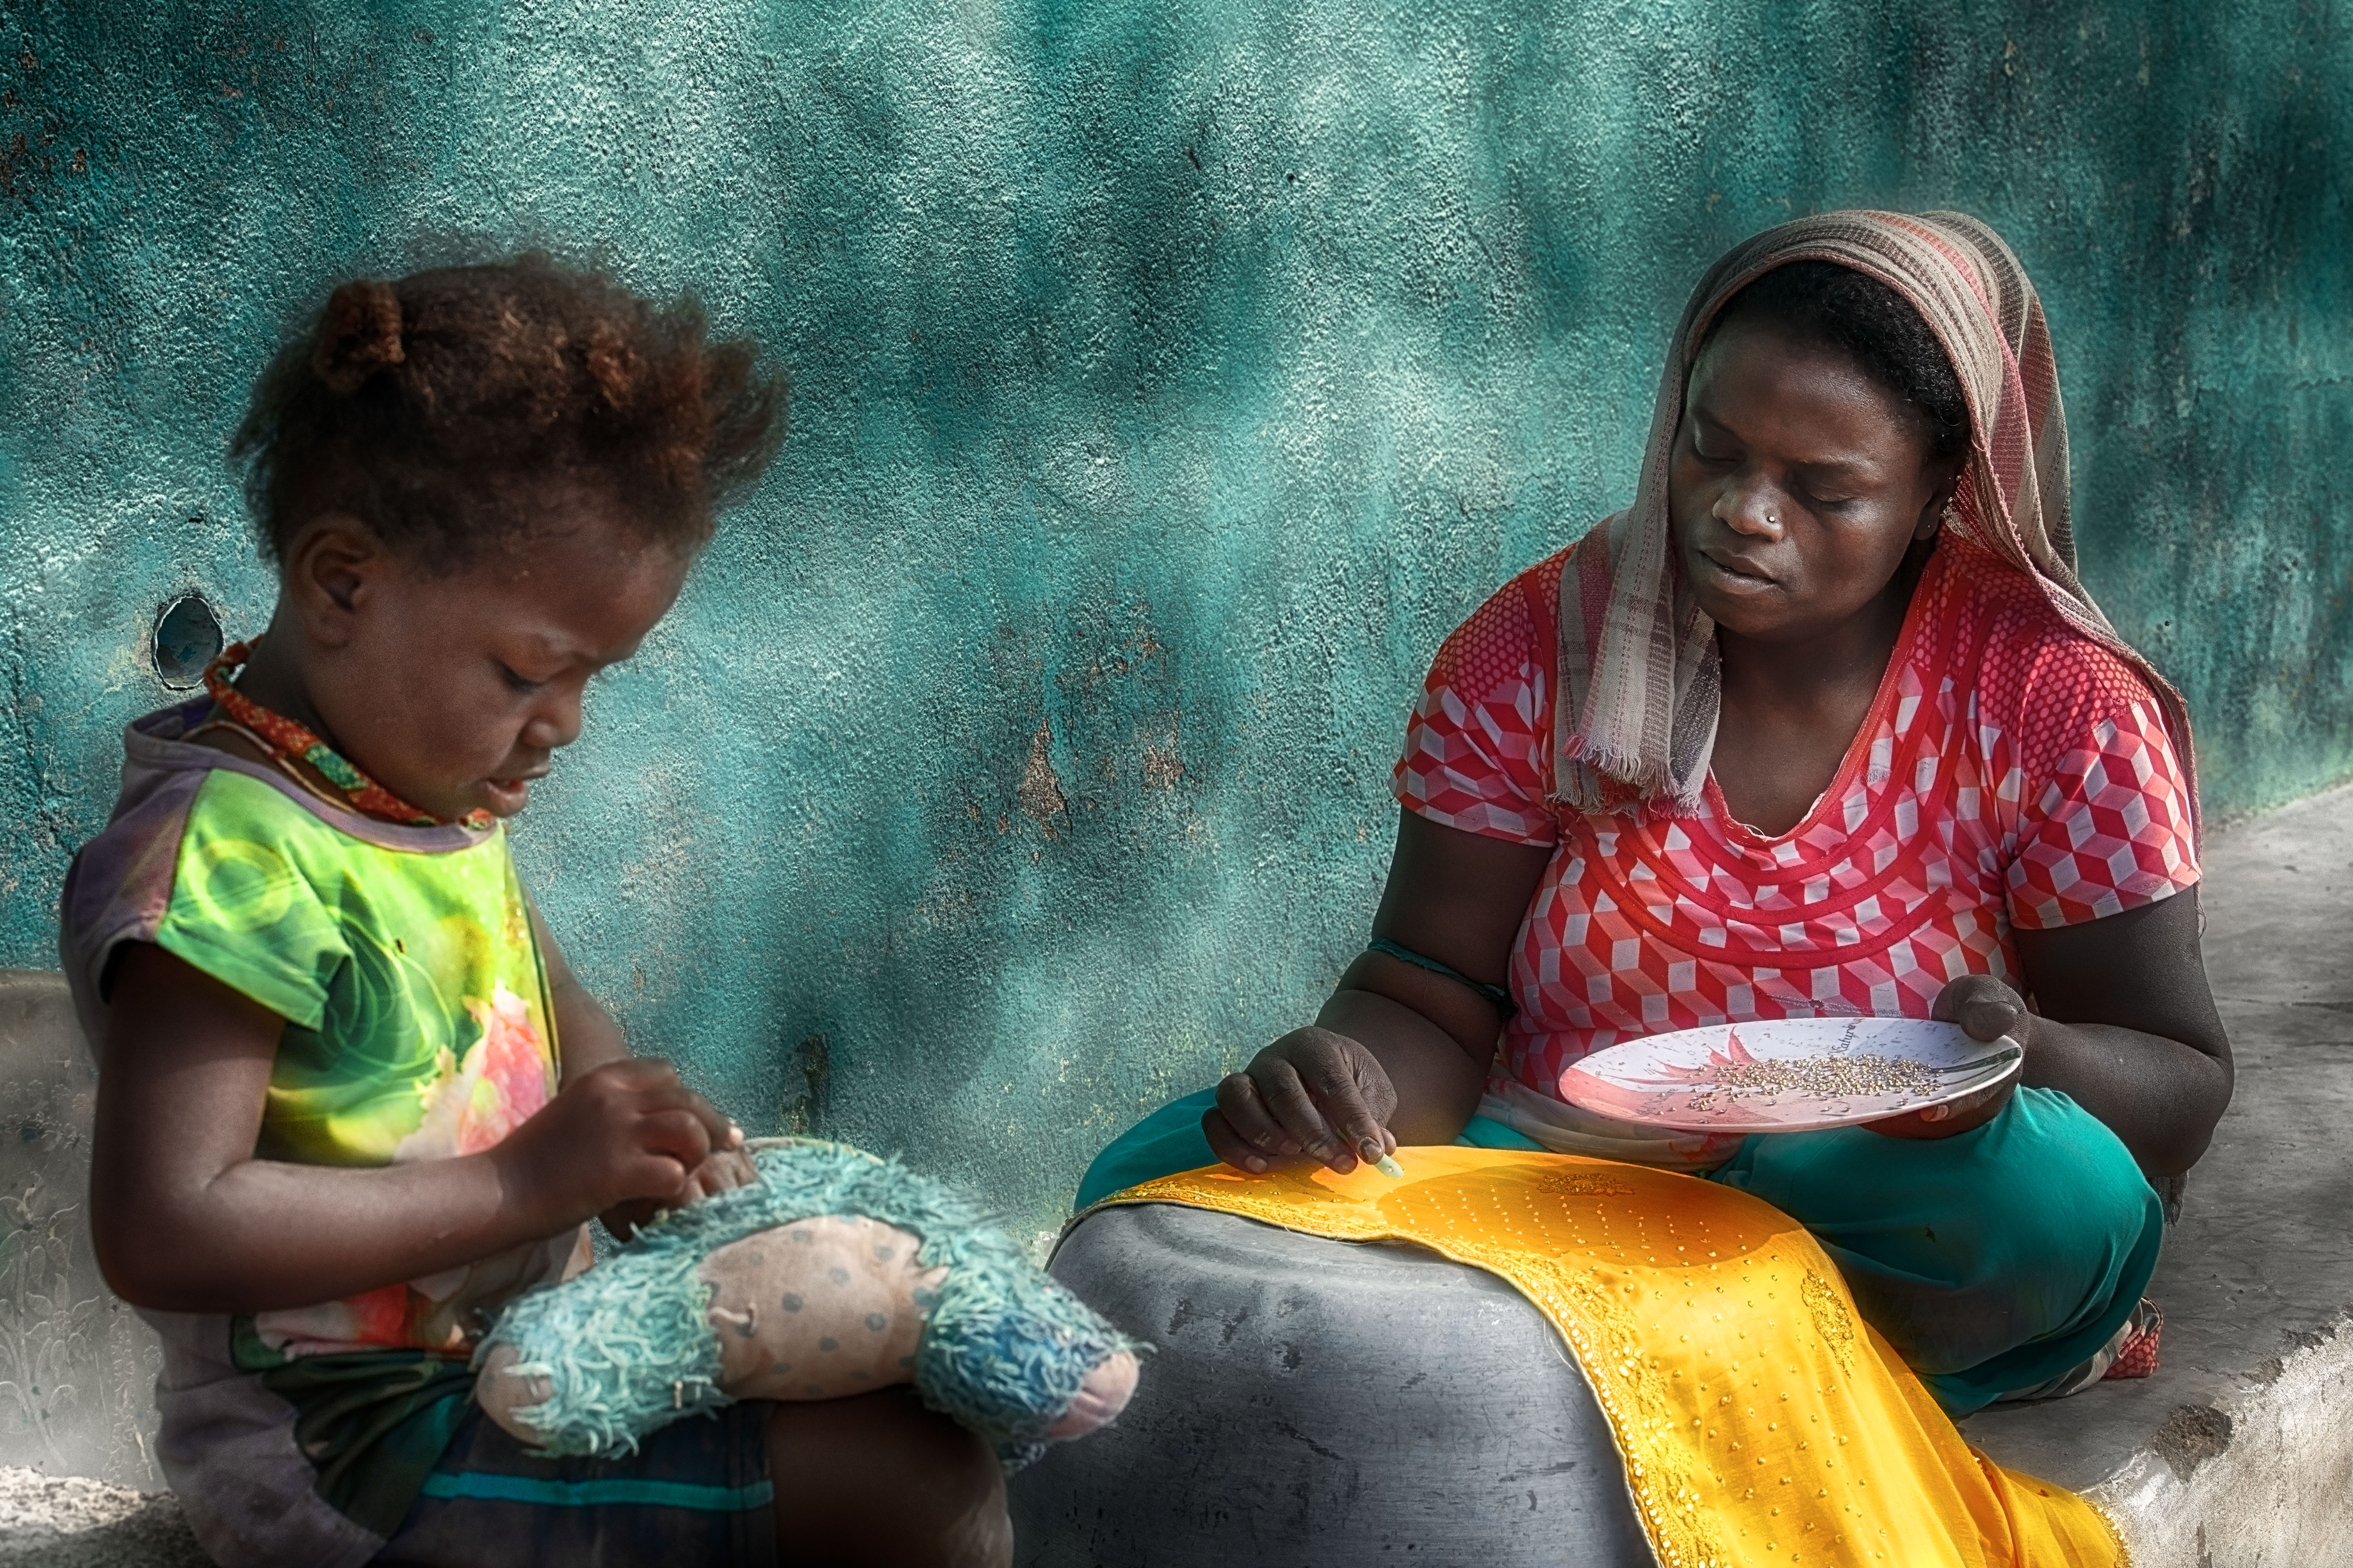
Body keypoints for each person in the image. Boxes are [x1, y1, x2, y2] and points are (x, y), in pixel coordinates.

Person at [1079, 210, 2232, 1413]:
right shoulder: (1529, 652)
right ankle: (1712, 1361)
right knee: (1156, 1185)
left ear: (1938, 493)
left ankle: (1558, 1353)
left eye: (1823, 488)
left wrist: (2016, 1058)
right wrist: (1344, 1084)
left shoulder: (2050, 699)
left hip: (1882, 1200)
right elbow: (1427, 990)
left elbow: (2180, 1080)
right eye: (1711, 449)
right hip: (1561, 1169)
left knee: (2058, 1206)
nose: (1744, 511)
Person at [61, 258, 1010, 1568]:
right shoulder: (231, 858)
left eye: (590, 680)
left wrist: (651, 1138)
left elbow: (570, 1019)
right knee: (909, 1483)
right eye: (527, 670)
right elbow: (168, 1223)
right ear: (344, 583)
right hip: (349, 1451)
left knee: (911, 1386)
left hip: (523, 1362)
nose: (562, 724)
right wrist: (527, 1179)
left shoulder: (420, 800)